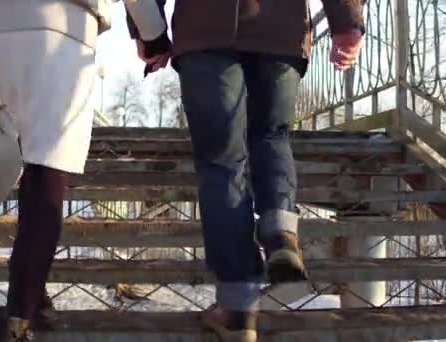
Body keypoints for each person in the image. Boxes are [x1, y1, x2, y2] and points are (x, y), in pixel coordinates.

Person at [124, 1, 365, 341]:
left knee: (221, 162)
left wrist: (151, 34)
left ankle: (237, 311)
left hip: (204, 30)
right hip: (281, 29)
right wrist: (347, 22)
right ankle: (281, 232)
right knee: (271, 135)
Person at [0, 0, 114, 340]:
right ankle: (20, 315)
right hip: (60, 32)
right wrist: (153, 34)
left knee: (34, 156)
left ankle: (32, 288)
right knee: (49, 166)